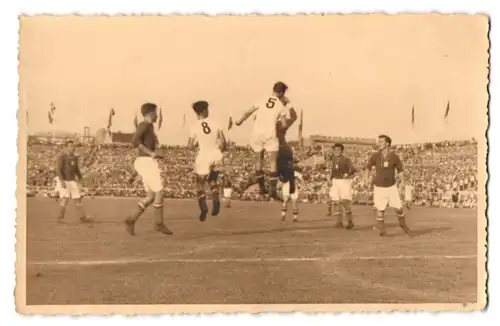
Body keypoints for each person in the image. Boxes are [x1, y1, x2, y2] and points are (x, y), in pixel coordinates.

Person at [232, 81, 295, 199]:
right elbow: (285, 124)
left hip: (256, 133)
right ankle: (272, 189)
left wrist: (239, 121)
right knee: (272, 161)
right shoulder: (281, 105)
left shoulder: (262, 100)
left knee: (258, 160)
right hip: (269, 133)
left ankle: (261, 187)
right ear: (281, 93)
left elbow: (248, 112)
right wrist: (281, 126)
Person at [124, 102, 173, 236]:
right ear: (150, 113)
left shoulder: (149, 127)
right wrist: (151, 154)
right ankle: (158, 223)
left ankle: (131, 219)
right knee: (160, 192)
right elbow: (135, 141)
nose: (157, 115)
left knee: (151, 196)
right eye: (156, 112)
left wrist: (135, 173)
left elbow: (140, 152)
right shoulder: (144, 125)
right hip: (146, 162)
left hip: (143, 162)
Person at [364, 135, 412, 237]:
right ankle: (382, 230)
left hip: (391, 187)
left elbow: (400, 170)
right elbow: (367, 167)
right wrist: (366, 178)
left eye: (381, 142)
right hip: (379, 187)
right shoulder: (375, 156)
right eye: (378, 142)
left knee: (399, 208)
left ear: (387, 144)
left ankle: (403, 225)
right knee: (380, 210)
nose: (379, 144)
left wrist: (402, 182)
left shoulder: (394, 156)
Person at [188, 100, 227, 221]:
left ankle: (203, 207)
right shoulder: (215, 123)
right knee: (212, 179)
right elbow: (223, 141)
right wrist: (220, 150)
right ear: (204, 110)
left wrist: (196, 146)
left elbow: (190, 146)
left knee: (200, 183)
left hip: (203, 155)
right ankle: (215, 198)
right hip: (215, 154)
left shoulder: (194, 126)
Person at [55, 140, 92, 223]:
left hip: (72, 181)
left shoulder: (75, 157)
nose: (72, 148)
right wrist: (61, 181)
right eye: (70, 146)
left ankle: (82, 217)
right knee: (65, 198)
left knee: (78, 198)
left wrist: (80, 177)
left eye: (73, 146)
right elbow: (58, 169)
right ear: (66, 147)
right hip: (65, 180)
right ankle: (60, 218)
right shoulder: (62, 157)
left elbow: (76, 169)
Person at [327, 143, 356, 229]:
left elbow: (353, 169)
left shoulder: (346, 159)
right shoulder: (333, 159)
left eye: (339, 150)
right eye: (335, 150)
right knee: (336, 202)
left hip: (344, 181)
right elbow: (333, 171)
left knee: (345, 202)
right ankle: (339, 222)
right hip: (335, 181)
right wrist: (330, 178)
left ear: (342, 151)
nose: (337, 151)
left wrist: (347, 174)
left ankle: (350, 222)